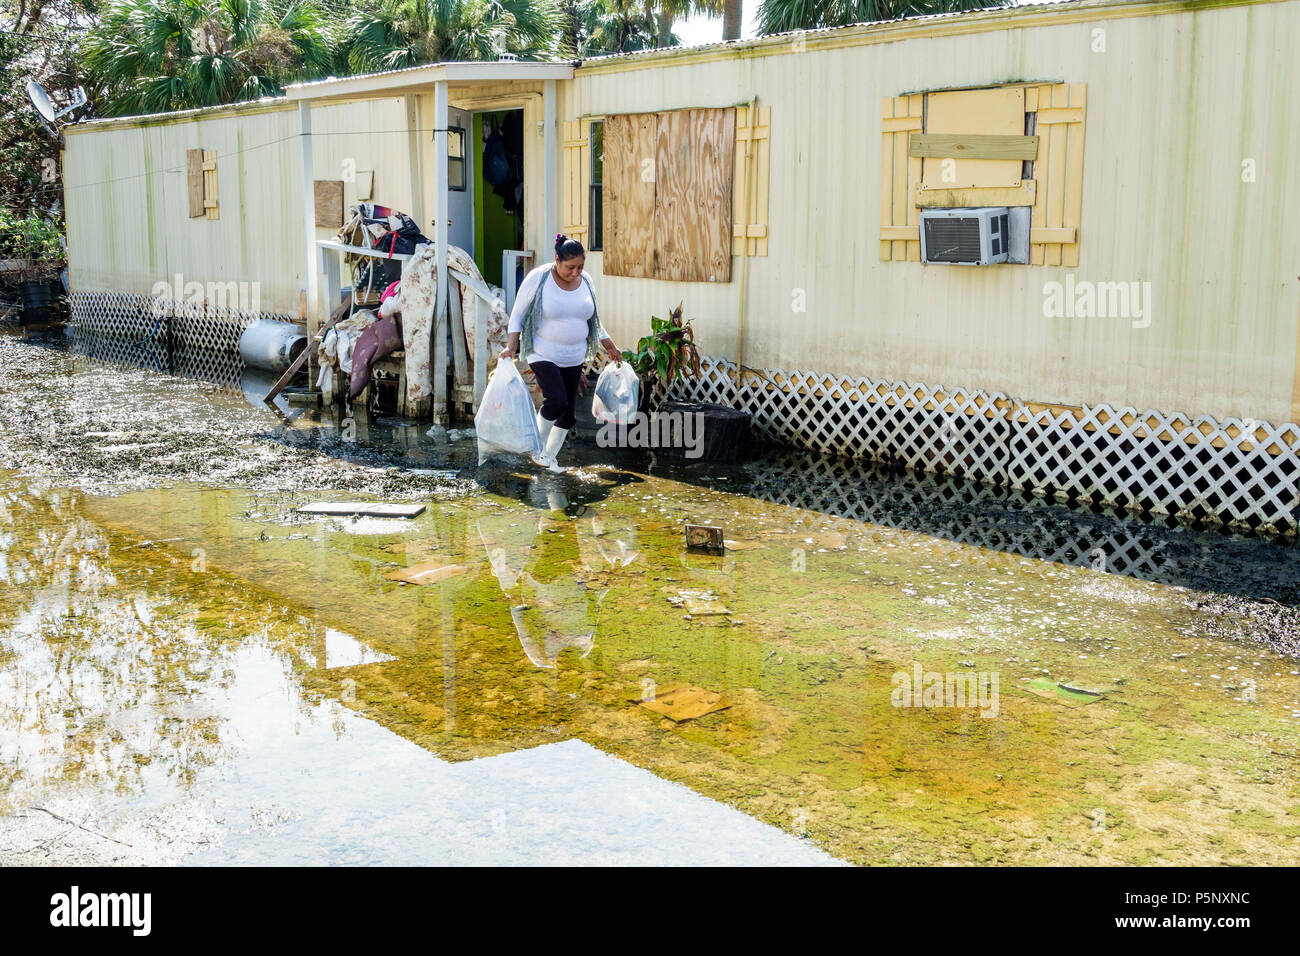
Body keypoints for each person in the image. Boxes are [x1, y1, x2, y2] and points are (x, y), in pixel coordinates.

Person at [501, 235, 622, 473]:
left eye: (580, 267)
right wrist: (511, 346)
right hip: (542, 352)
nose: (576, 272)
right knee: (556, 400)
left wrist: (611, 347)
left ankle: (549, 459)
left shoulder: (585, 281)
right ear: (556, 260)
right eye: (570, 267)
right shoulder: (540, 278)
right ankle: (536, 450)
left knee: (568, 417)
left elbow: (593, 320)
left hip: (574, 356)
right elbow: (517, 314)